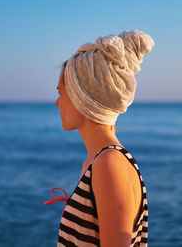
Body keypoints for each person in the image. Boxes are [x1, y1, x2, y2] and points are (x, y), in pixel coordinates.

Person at [46, 29, 154, 246]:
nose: (57, 102)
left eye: (61, 92)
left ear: (81, 96)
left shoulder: (109, 164)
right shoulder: (96, 162)